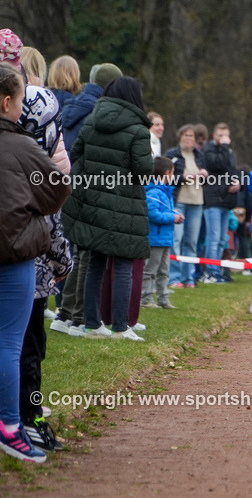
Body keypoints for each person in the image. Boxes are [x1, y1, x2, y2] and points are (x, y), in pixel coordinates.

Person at [0, 61, 70, 463]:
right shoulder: (22, 145)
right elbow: (58, 191)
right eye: (20, 99)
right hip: (13, 256)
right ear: (6, 102)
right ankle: (12, 427)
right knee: (10, 343)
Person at [63, 76, 154, 342]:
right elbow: (144, 170)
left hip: (93, 202)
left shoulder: (92, 121)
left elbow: (75, 154)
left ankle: (92, 324)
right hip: (125, 203)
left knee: (95, 263)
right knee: (124, 264)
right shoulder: (138, 129)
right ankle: (121, 327)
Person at [165, 125, 207, 288]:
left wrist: (205, 175)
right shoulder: (172, 155)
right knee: (176, 240)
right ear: (180, 137)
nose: (189, 138)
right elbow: (166, 178)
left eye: (191, 136)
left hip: (197, 202)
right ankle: (174, 278)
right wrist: (183, 177)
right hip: (179, 202)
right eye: (186, 135)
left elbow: (207, 180)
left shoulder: (200, 156)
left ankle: (188, 278)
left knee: (191, 242)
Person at [201, 123, 241, 282]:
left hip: (226, 201)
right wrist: (224, 147)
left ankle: (217, 271)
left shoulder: (229, 152)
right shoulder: (208, 150)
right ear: (214, 136)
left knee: (222, 240)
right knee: (214, 238)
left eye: (226, 136)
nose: (224, 139)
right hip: (213, 199)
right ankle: (211, 272)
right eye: (221, 135)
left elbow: (232, 170)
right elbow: (217, 164)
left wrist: (238, 183)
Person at [141, 157, 183, 309]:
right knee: (150, 270)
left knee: (164, 271)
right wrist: (173, 217)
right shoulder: (154, 192)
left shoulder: (166, 192)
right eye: (173, 172)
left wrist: (175, 214)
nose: (174, 176)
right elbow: (153, 214)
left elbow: (165, 210)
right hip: (156, 239)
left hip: (165, 238)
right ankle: (146, 298)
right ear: (166, 173)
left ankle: (163, 298)